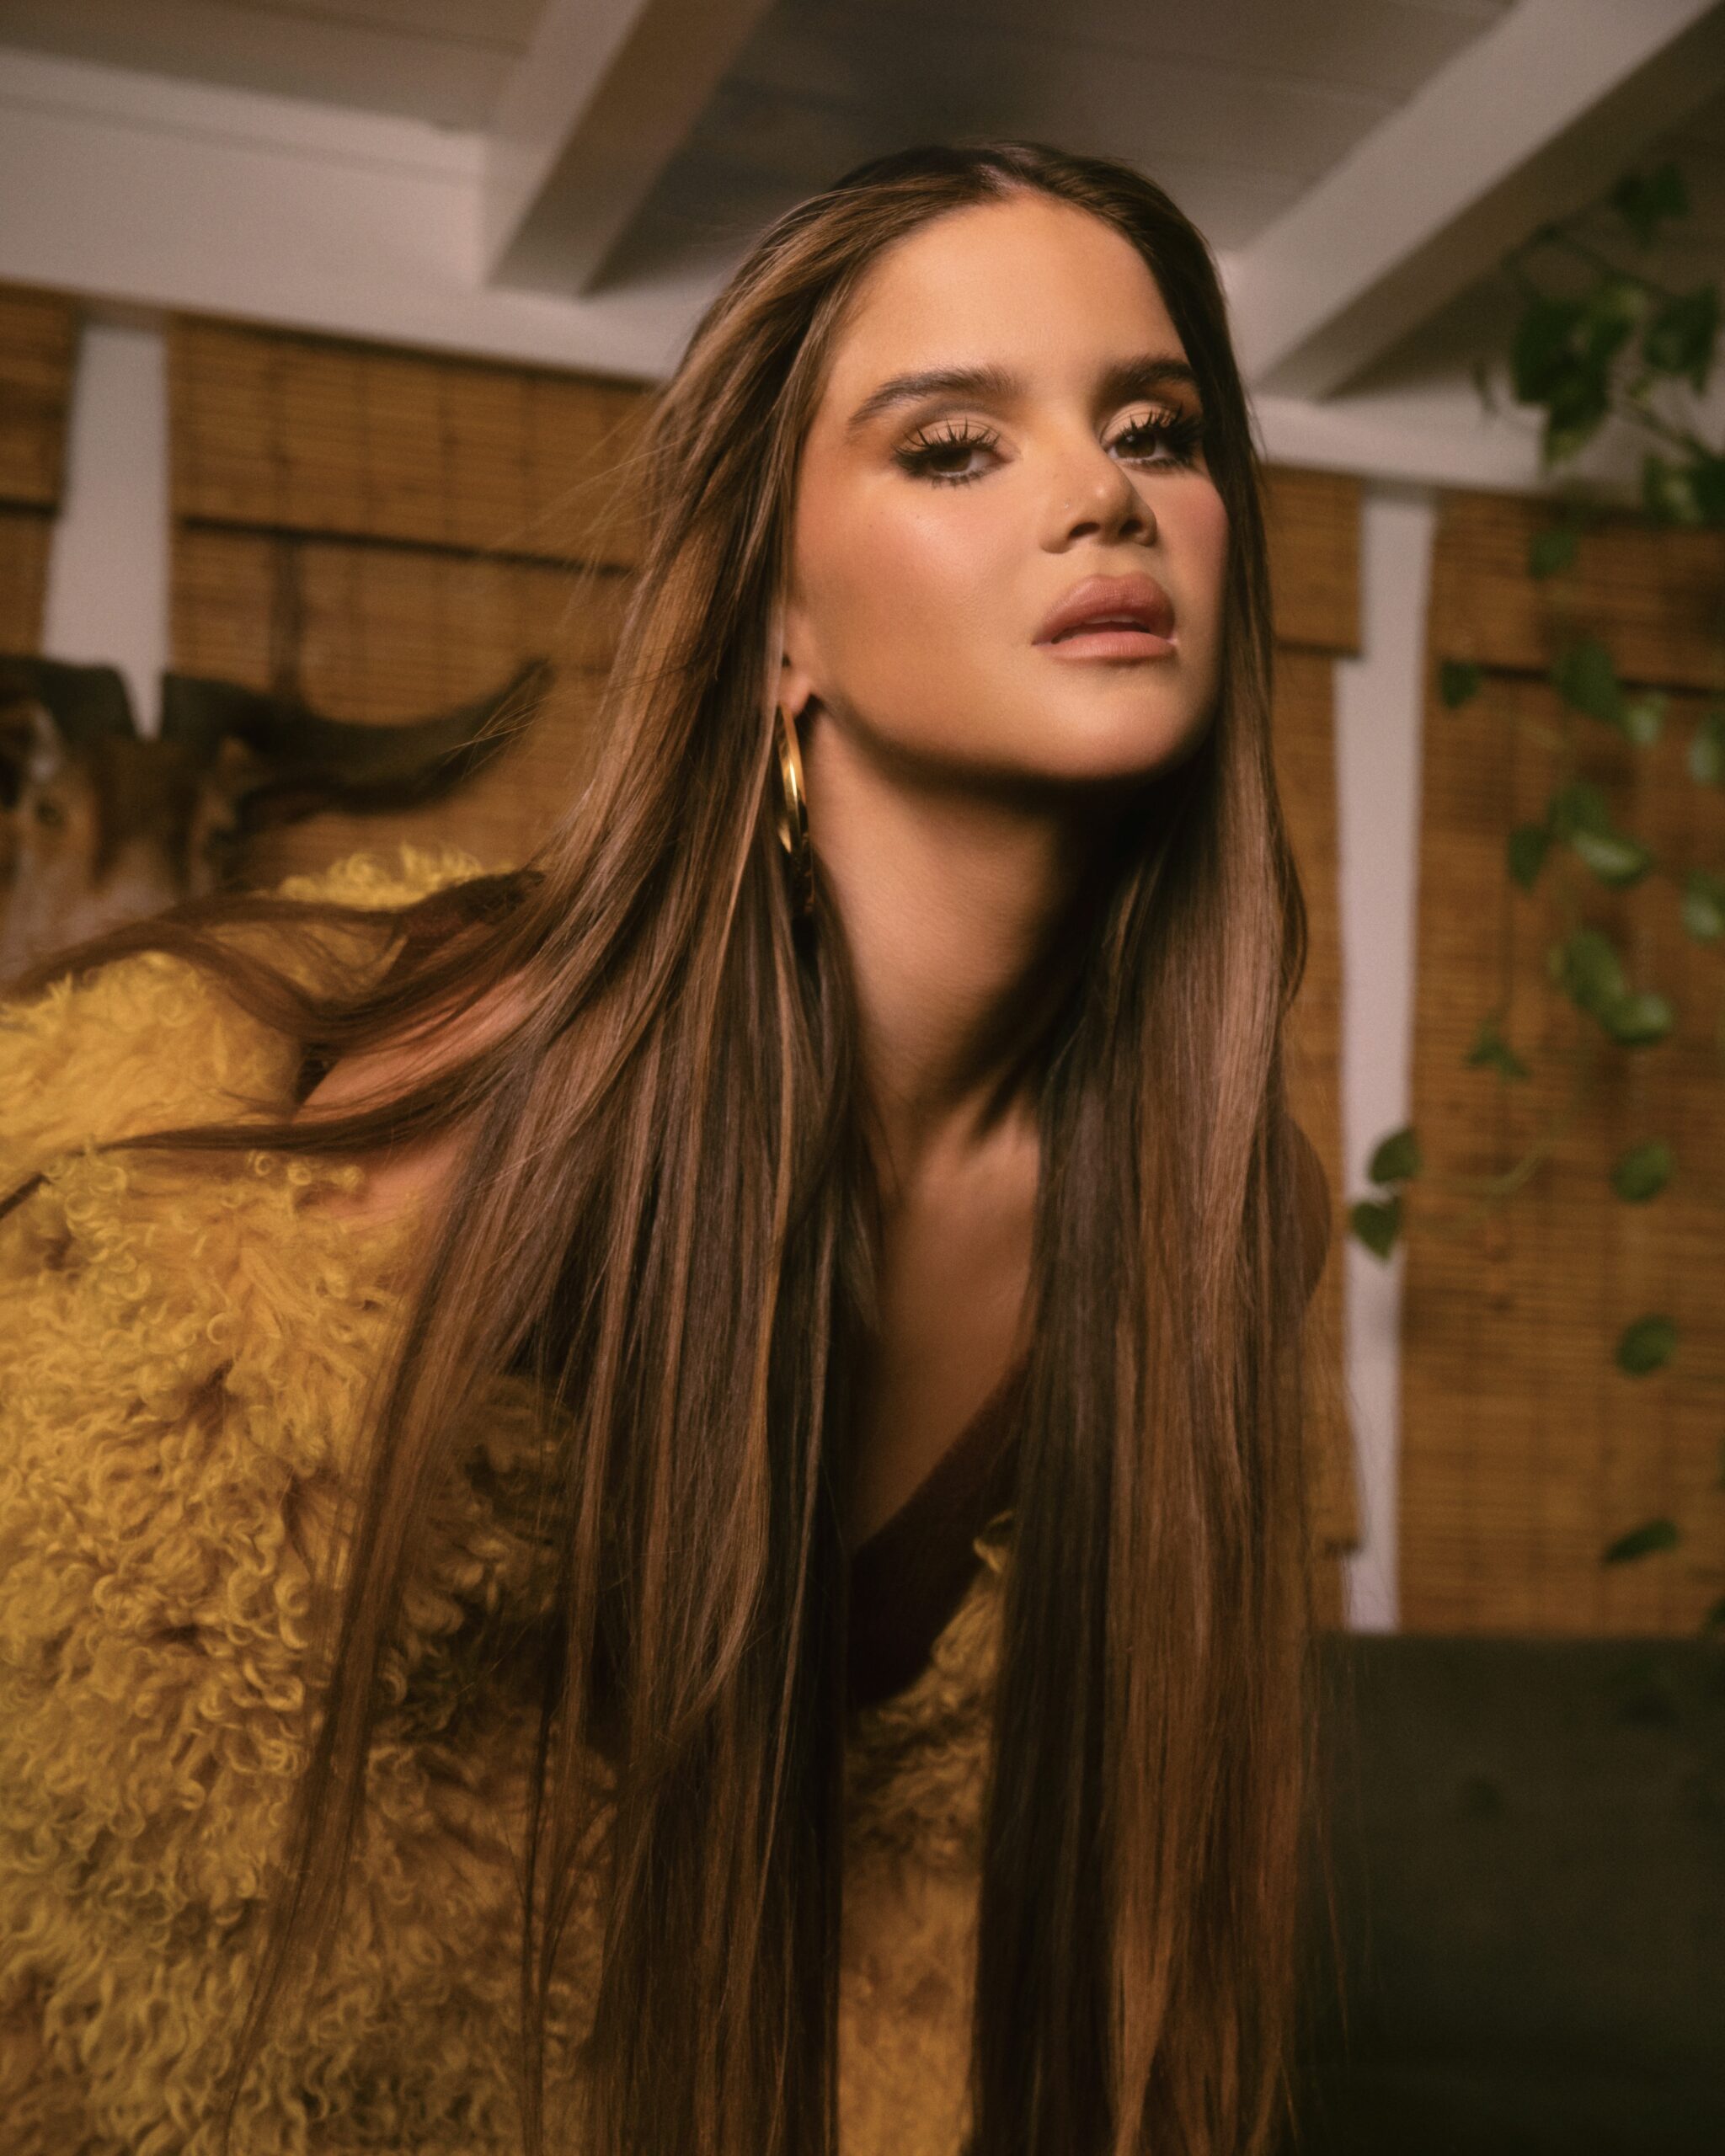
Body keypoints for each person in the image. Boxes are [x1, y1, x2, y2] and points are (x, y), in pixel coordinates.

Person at [0, 141, 1334, 2156]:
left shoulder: (1219, 1210)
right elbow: (149, 1829)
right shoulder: (514, 1101)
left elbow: (989, 1901)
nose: (1102, 494)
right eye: (955, 445)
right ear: (777, 620)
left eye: (1153, 427)